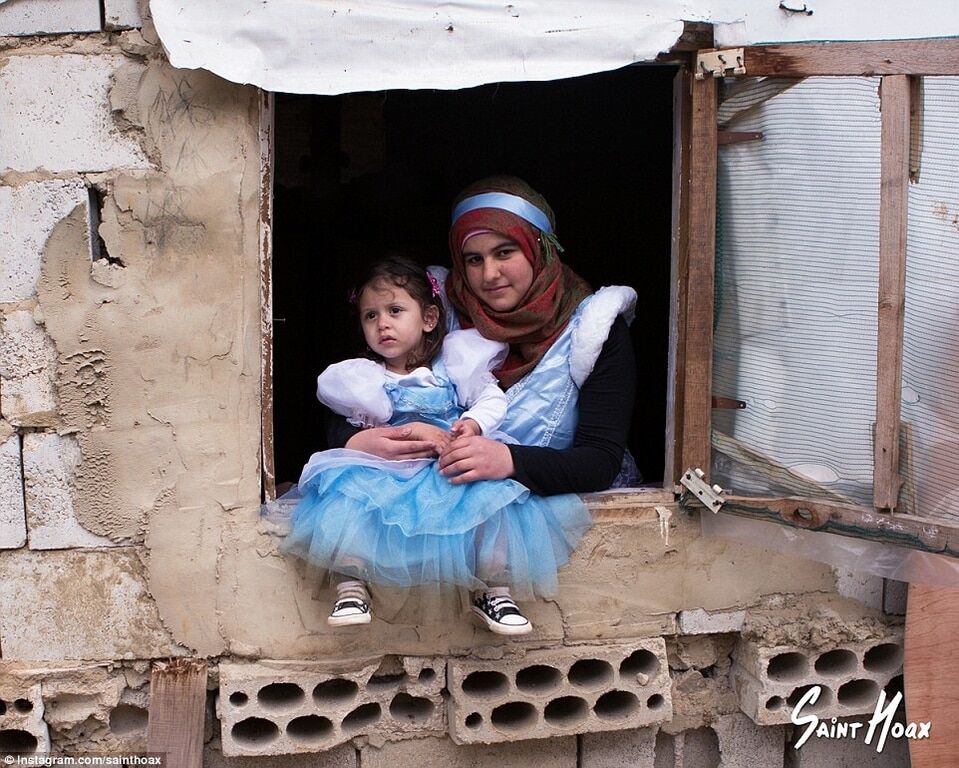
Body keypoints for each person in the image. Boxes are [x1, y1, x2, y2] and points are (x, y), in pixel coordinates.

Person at [328, 176, 639, 627]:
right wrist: (361, 442)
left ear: (540, 248)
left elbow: (600, 459)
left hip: (521, 509)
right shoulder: (438, 311)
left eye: (505, 253)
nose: (488, 275)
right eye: (473, 259)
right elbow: (367, 389)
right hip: (425, 500)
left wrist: (508, 460)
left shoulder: (594, 330)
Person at [281, 255, 592, 635]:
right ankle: (351, 583)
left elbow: (493, 398)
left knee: (492, 500)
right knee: (351, 494)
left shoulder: (454, 366)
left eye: (395, 310)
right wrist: (402, 433)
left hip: (448, 463)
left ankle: (493, 588)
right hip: (393, 469)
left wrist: (474, 424)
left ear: (429, 318)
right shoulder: (363, 379)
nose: (383, 324)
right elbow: (358, 427)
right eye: (370, 316)